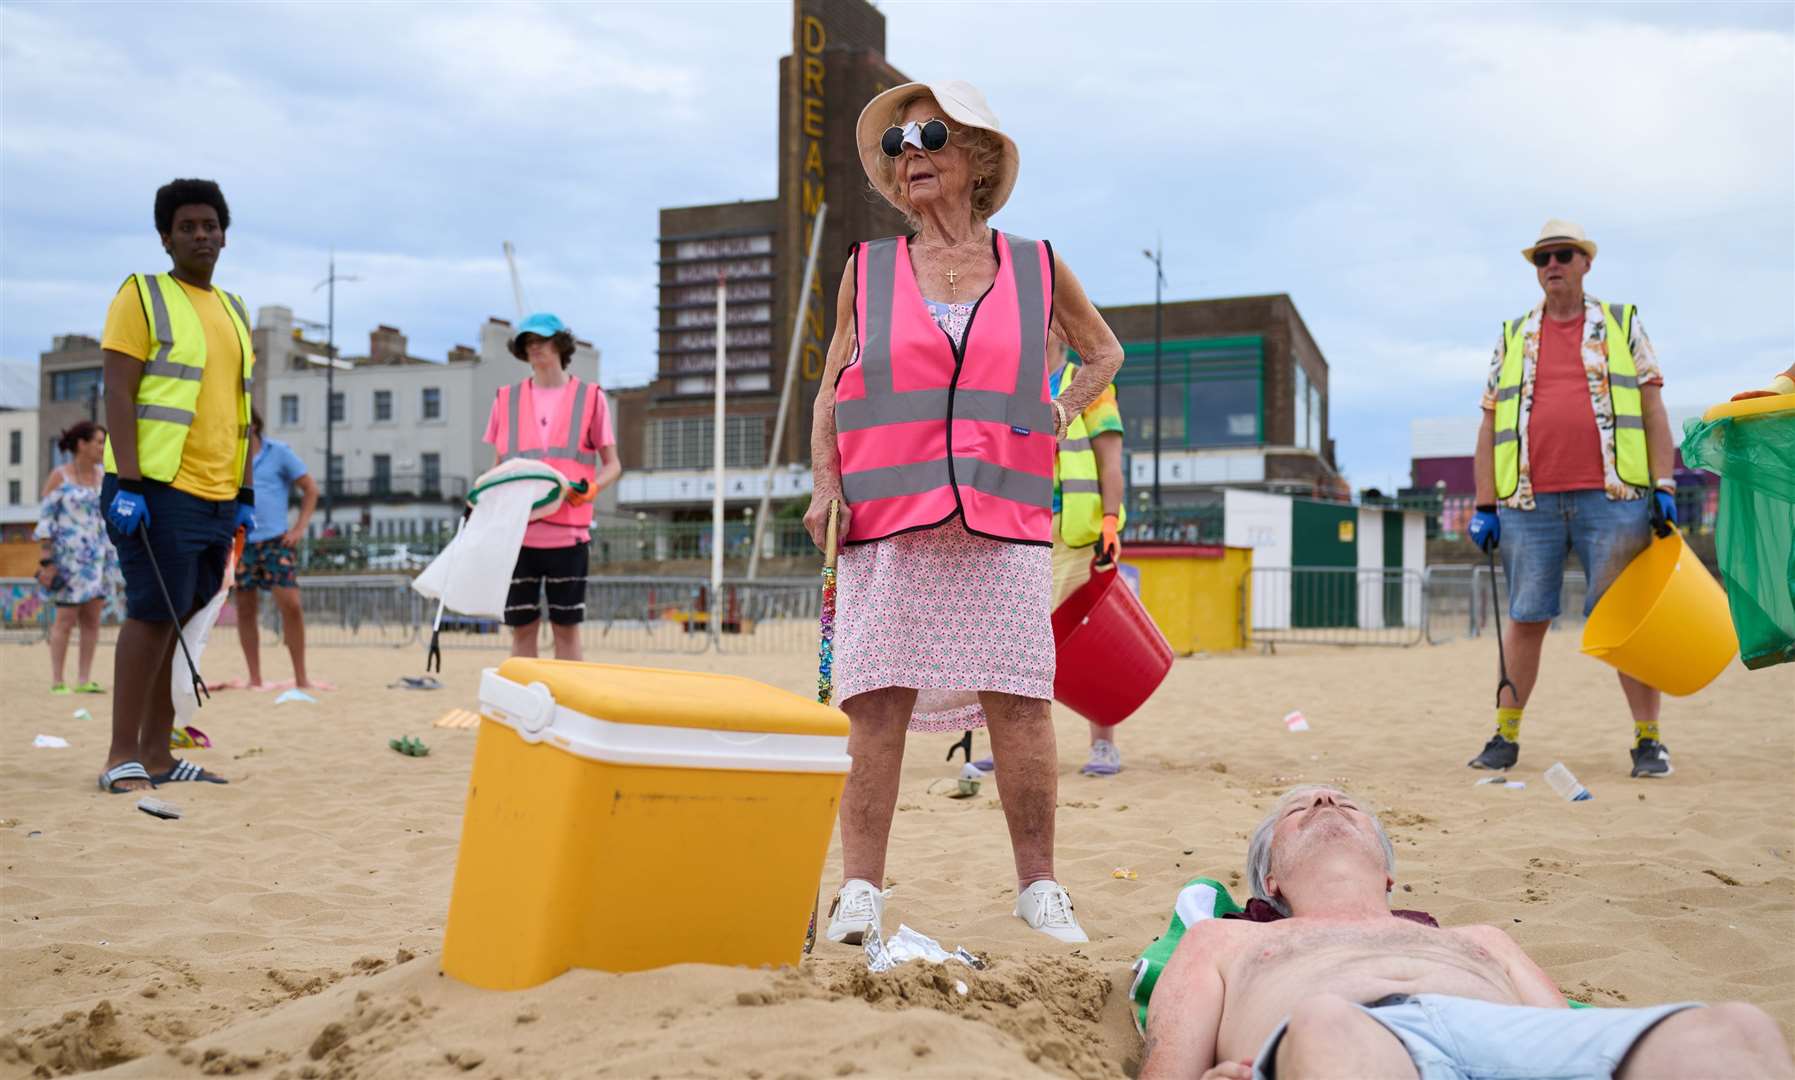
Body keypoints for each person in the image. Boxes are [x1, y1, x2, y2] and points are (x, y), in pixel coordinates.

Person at [806, 79, 1123, 946]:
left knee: (1020, 702)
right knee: (874, 704)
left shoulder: (1035, 264)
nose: (910, 154)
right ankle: (860, 890)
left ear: (976, 159)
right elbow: (835, 383)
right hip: (888, 512)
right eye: (897, 144)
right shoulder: (865, 270)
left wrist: (1060, 406)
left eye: (931, 136)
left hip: (1003, 512)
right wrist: (824, 483)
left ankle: (1039, 888)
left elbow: (1103, 352)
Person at [1140, 785, 1793, 1079]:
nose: (1325, 802)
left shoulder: (1480, 937)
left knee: (1736, 1032)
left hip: (1514, 1045)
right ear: (1270, 880)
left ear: (1389, 875)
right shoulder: (1224, 941)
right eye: (1296, 809)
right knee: (1325, 1024)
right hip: (1343, 1043)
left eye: (1347, 804)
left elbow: (1564, 1038)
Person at [1465, 220, 1678, 779]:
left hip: (1614, 498)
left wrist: (1665, 484)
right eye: (1542, 258)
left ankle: (1649, 741)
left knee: (1624, 621)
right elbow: (1488, 424)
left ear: (1586, 263)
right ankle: (1504, 737)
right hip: (1527, 505)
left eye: (1562, 255)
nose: (1551, 265)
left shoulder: (1622, 325)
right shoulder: (1513, 335)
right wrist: (1484, 504)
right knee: (1525, 617)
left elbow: (1654, 410)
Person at [96, 178, 257, 793]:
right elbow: (117, 390)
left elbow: (240, 409)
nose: (201, 235)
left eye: (211, 225)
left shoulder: (236, 310)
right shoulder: (142, 295)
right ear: (165, 237)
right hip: (156, 488)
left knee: (184, 618)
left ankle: (160, 755)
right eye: (187, 226)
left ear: (224, 235)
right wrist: (129, 482)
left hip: (217, 495)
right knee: (150, 614)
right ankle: (120, 756)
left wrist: (243, 492)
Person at [971, 334, 1129, 776]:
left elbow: (1110, 461)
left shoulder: (1089, 383)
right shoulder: (1009, 387)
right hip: (1019, 532)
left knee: (1088, 641)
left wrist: (1111, 521)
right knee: (1011, 644)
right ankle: (1008, 746)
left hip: (1076, 532)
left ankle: (1103, 745)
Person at [482, 312, 620, 660]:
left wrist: (593, 488)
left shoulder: (591, 398)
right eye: (528, 342)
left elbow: (613, 465)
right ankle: (523, 707)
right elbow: (498, 468)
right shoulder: (505, 399)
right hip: (518, 533)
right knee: (522, 629)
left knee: (566, 629)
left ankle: (567, 709)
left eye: (541, 340)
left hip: (569, 534)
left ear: (560, 343)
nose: (534, 347)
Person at [232, 410, 323, 689]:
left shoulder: (279, 452)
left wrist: (298, 529)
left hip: (276, 541)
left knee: (291, 606)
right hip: (241, 540)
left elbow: (310, 489)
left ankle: (301, 677)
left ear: (255, 424)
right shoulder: (229, 456)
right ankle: (255, 678)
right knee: (245, 609)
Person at [34, 421, 122, 694]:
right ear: (81, 444)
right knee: (65, 619)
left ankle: (84, 679)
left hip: (99, 557)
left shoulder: (105, 475)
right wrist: (47, 561)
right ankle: (57, 680)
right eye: (98, 441)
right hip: (69, 560)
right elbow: (46, 520)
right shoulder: (59, 476)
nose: (102, 447)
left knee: (92, 620)